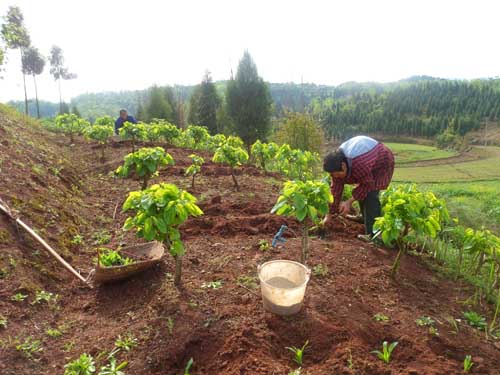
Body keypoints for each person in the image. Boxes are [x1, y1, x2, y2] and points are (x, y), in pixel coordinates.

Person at [322, 135, 394, 241]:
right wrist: (329, 214)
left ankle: (374, 234)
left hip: (382, 162)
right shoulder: (337, 165)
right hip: (368, 162)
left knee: (371, 194)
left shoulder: (359, 163)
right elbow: (335, 191)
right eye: (332, 174)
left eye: (336, 174)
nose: (334, 177)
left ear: (343, 166)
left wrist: (349, 202)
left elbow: (367, 185)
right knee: (361, 189)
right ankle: (364, 217)